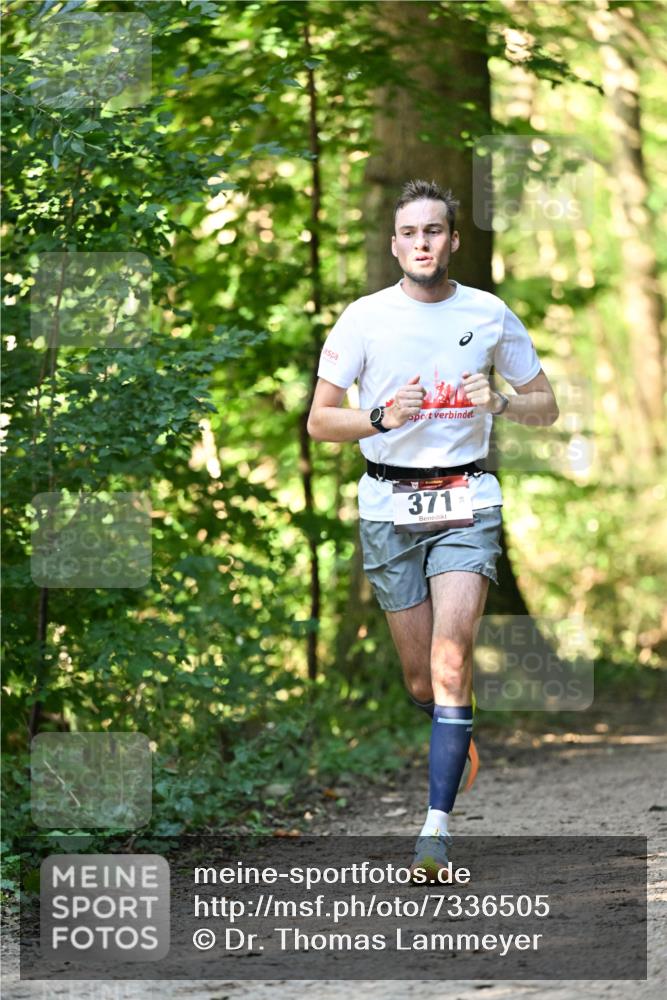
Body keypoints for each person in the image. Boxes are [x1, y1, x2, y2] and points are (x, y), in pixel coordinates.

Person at [307, 179, 559, 878]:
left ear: (452, 240)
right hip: (389, 508)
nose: (422, 243)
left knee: (451, 660)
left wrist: (505, 402)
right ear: (395, 245)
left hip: (466, 501)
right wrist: (380, 418)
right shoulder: (362, 319)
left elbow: (547, 405)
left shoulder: (487, 312)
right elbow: (320, 420)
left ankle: (434, 831)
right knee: (422, 680)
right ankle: (454, 727)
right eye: (410, 233)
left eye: (434, 231)